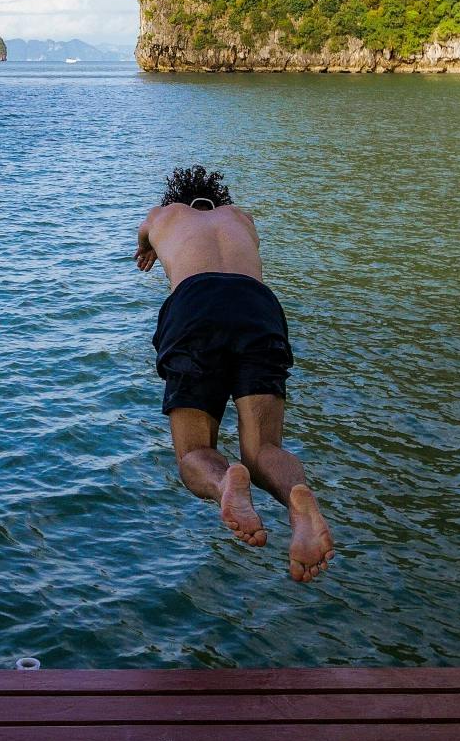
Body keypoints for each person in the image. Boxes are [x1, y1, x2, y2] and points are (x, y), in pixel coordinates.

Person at [136, 166, 334, 582]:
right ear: (219, 200)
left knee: (194, 454)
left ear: (177, 198)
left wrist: (148, 249)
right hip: (257, 305)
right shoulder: (241, 218)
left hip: (194, 305)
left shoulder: (162, 214)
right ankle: (298, 501)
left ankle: (225, 482)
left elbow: (142, 239)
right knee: (264, 448)